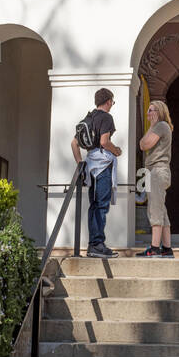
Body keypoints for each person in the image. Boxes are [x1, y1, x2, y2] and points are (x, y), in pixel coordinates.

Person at [70, 88, 121, 259]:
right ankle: (97, 245)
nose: (112, 105)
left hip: (91, 165)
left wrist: (81, 165)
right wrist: (117, 151)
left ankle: (94, 244)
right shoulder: (106, 118)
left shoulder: (88, 118)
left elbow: (74, 143)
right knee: (101, 205)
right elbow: (105, 142)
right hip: (103, 165)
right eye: (112, 102)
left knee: (94, 205)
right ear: (108, 101)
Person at [138, 99, 174, 257]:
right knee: (162, 210)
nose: (148, 113)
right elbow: (142, 144)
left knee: (155, 210)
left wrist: (151, 126)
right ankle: (167, 248)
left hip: (157, 172)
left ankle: (154, 248)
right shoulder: (159, 127)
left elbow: (145, 145)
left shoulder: (160, 126)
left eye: (151, 110)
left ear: (159, 112)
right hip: (156, 171)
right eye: (147, 110)